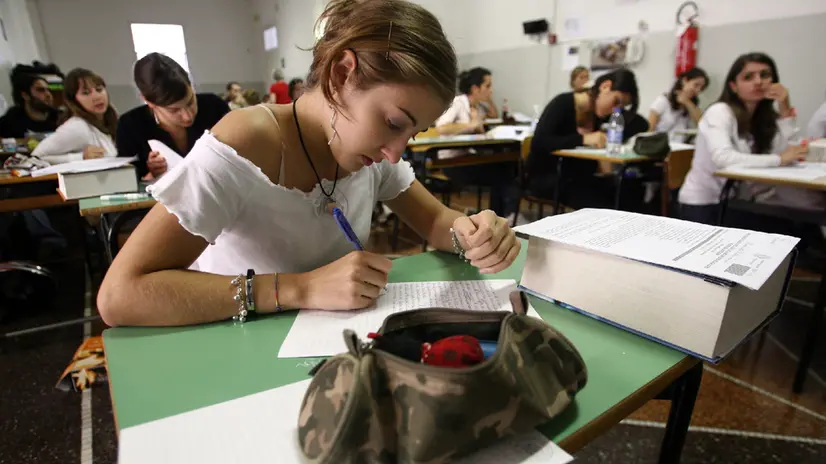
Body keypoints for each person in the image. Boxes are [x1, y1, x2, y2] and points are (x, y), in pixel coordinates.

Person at [96, 0, 521, 327]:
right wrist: (300, 288)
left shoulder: (369, 149)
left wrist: (472, 233)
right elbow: (119, 296)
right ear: (341, 75)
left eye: (412, 134)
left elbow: (435, 221)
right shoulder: (247, 141)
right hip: (233, 347)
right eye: (394, 123)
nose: (395, 152)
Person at [678, 53, 818, 225]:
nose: (758, 82)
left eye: (765, 75)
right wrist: (779, 159)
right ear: (733, 86)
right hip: (704, 203)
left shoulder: (763, 118)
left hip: (737, 201)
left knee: (800, 222)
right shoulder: (720, 112)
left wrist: (785, 110)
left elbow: (789, 153)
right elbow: (723, 158)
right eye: (748, 77)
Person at [527, 69, 648, 210]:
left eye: (621, 106)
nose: (615, 110)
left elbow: (641, 124)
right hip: (549, 176)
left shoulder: (601, 113)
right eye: (616, 101)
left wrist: (609, 134)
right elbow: (539, 142)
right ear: (605, 87)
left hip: (581, 177)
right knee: (604, 204)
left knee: (629, 192)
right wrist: (583, 139)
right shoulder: (563, 102)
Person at [116, 53, 230, 179]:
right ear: (149, 102)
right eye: (174, 110)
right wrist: (152, 174)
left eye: (190, 102)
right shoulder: (130, 126)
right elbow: (127, 181)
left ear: (191, 86)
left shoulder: (215, 107)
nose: (187, 116)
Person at [435, 67, 514, 217]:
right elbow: (442, 127)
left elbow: (494, 116)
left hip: (469, 157)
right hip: (451, 162)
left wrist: (488, 99)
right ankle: (502, 216)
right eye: (488, 86)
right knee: (500, 173)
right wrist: (471, 125)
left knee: (505, 167)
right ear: (475, 89)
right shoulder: (457, 103)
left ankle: (501, 215)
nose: (491, 90)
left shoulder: (478, 106)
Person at [31, 68, 118, 164]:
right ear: (73, 101)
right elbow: (36, 157)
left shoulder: (112, 121)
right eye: (86, 93)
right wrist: (80, 157)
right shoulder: (77, 127)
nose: (97, 97)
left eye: (99, 89)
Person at [648, 67, 709, 142]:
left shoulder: (692, 105)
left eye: (701, 88)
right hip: (661, 146)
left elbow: (702, 124)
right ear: (685, 80)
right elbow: (649, 131)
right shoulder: (663, 101)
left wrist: (687, 102)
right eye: (696, 85)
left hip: (682, 146)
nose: (698, 90)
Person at [0, 72, 58, 138]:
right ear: (25, 95)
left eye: (49, 90)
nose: (48, 95)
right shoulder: (10, 121)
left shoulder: (59, 118)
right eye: (41, 90)